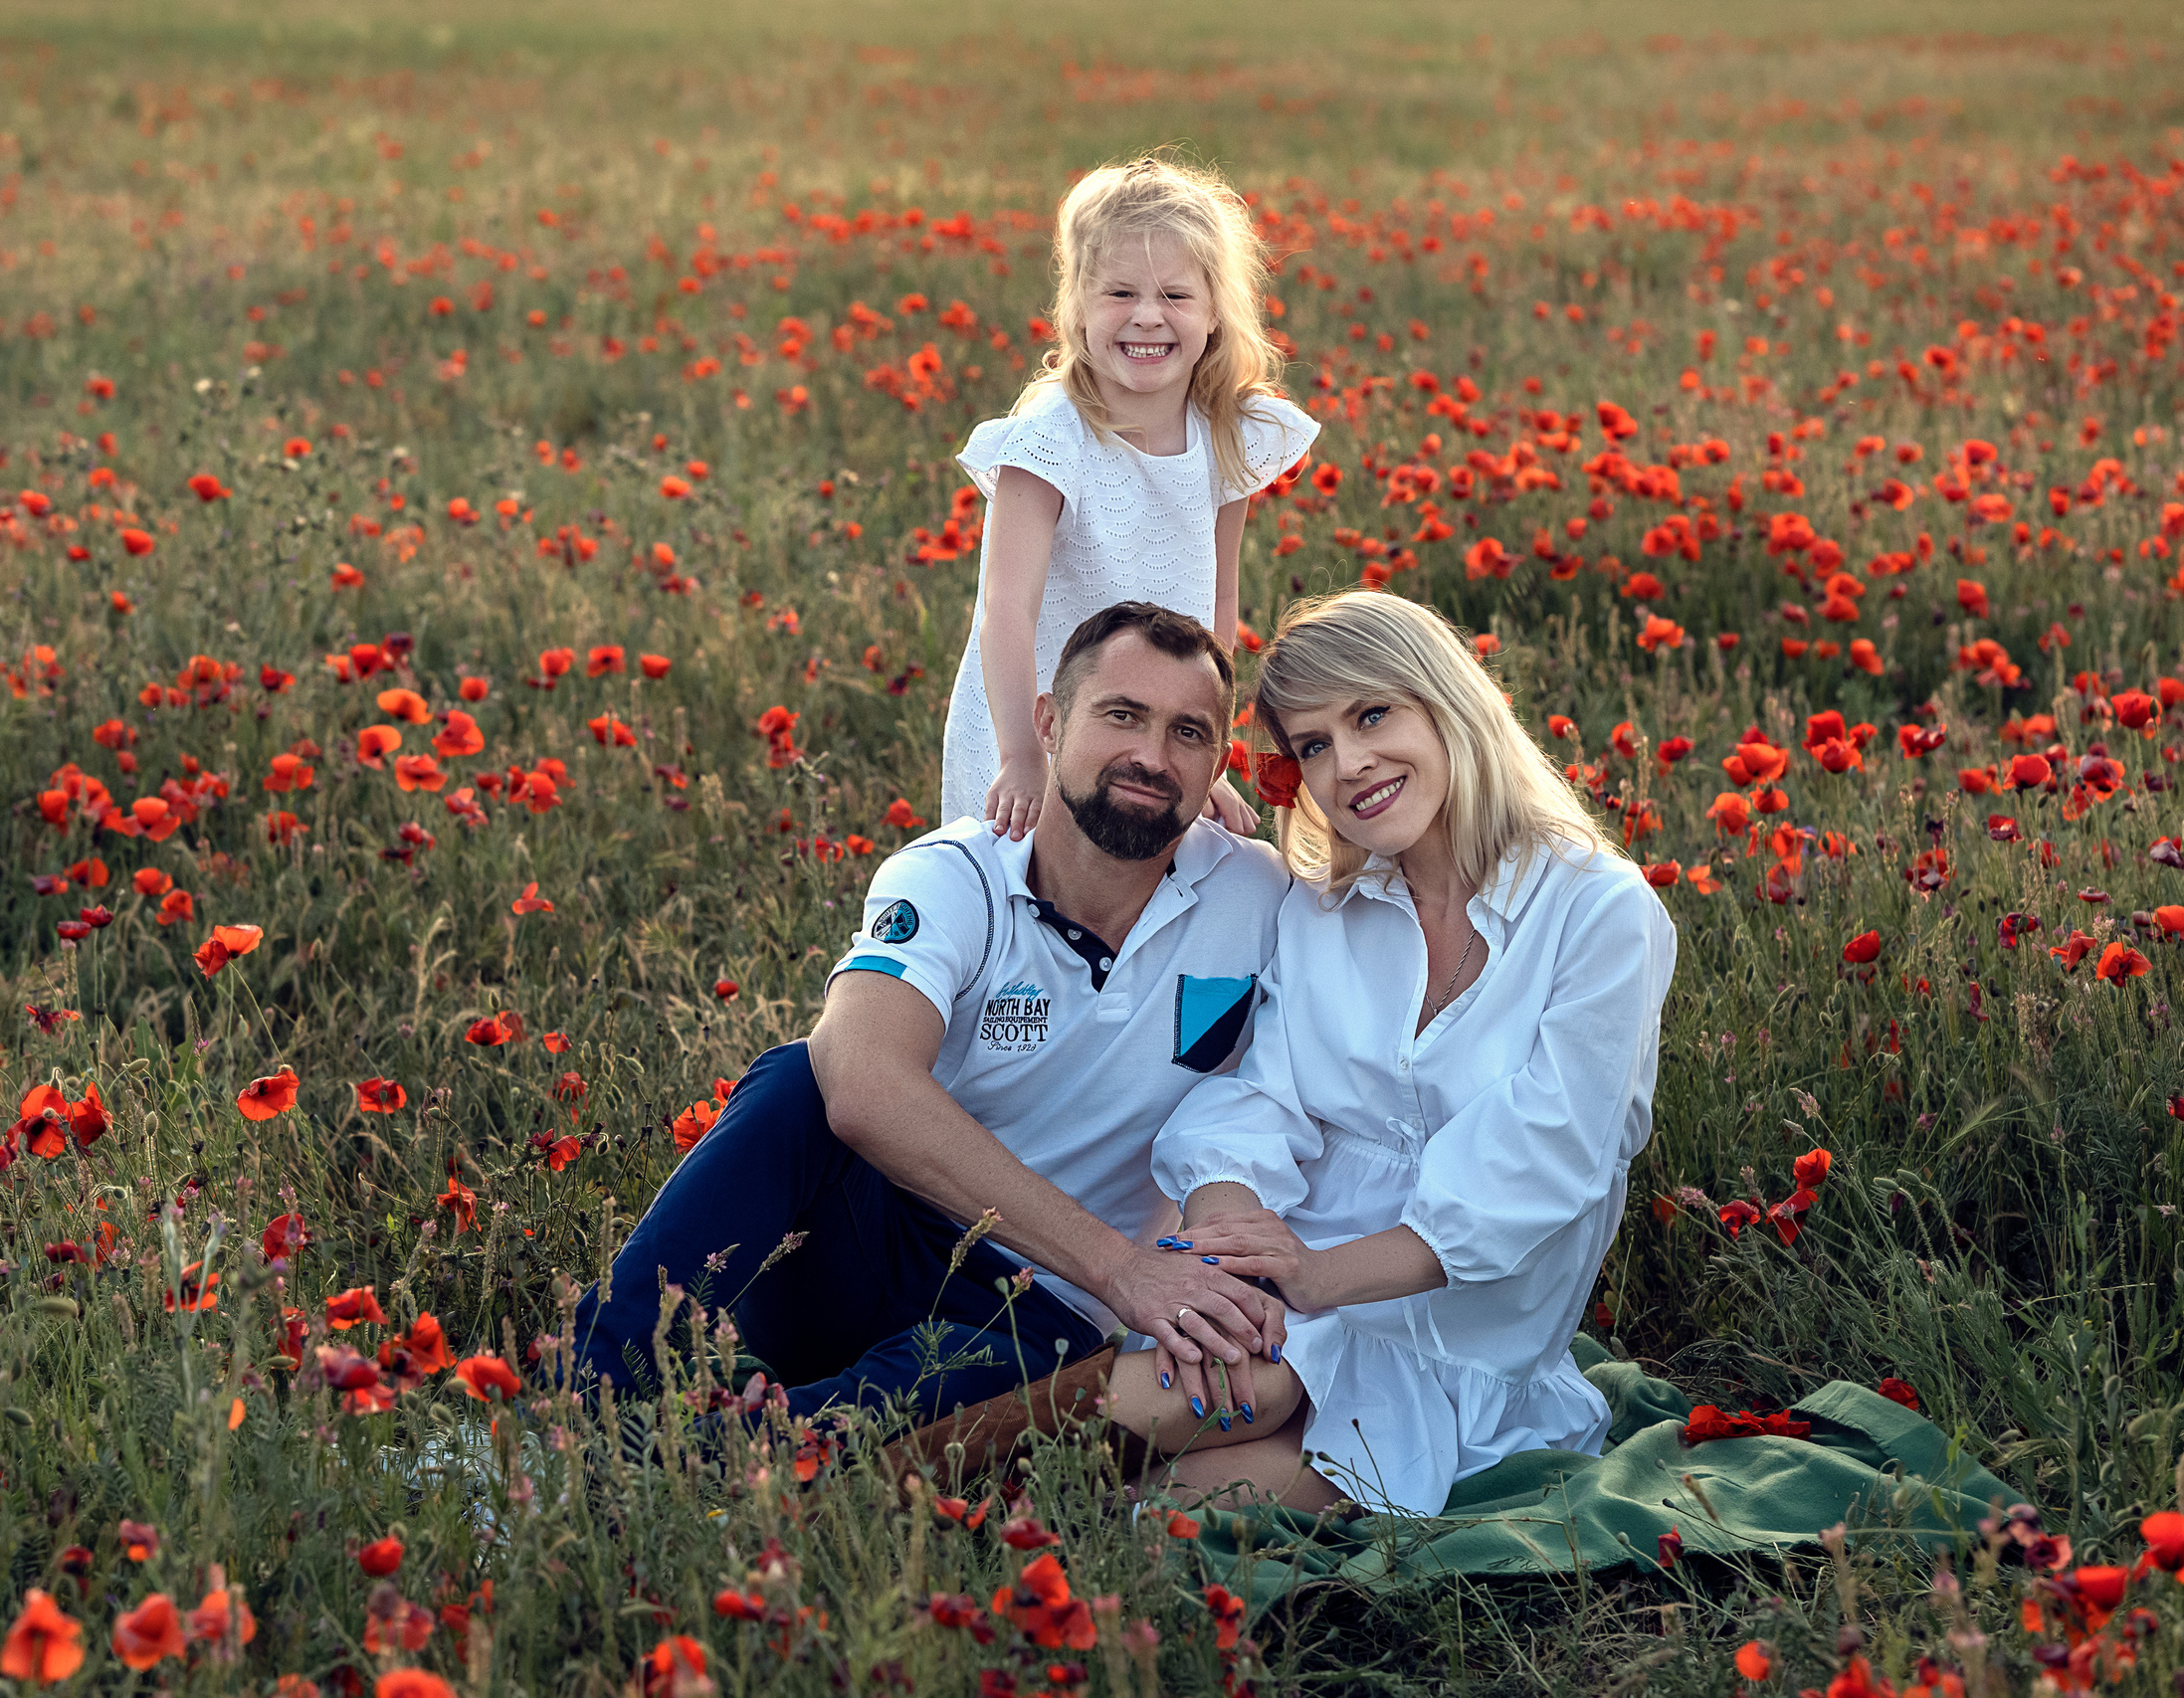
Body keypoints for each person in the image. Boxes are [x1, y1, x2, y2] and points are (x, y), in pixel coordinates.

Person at [570, 603, 1292, 1430]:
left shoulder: (1256, 896)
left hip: (1044, 1316)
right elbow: (864, 1085)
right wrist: (1122, 1267)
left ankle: (720, 1454)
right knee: (803, 1077)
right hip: (875, 1246)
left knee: (982, 1379)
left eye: (1188, 733)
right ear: (1049, 724)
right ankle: (587, 1396)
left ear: (1218, 766)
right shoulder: (959, 874)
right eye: (1121, 715)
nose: (1150, 756)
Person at [1089, 590, 1678, 1513]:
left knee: (1162, 1511)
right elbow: (1255, 1096)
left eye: (1371, 714)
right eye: (1314, 745)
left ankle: (939, 1485)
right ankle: (900, 1464)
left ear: (1447, 702)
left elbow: (1543, 1163)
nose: (1349, 764)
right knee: (1227, 1384)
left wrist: (1316, 1275)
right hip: (1287, 1288)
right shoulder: (1323, 908)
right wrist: (1234, 1252)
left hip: (1456, 1343)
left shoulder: (1599, 911)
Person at [941, 152, 1317, 842]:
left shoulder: (1226, 436)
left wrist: (1213, 760)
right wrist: (1023, 755)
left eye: (1174, 296)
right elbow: (1007, 608)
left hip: (1156, 730)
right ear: (1079, 310)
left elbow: (1218, 611)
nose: (1147, 317)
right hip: (1037, 721)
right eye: (1119, 294)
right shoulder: (1051, 441)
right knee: (1025, 889)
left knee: (1138, 885)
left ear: (1213, 316)